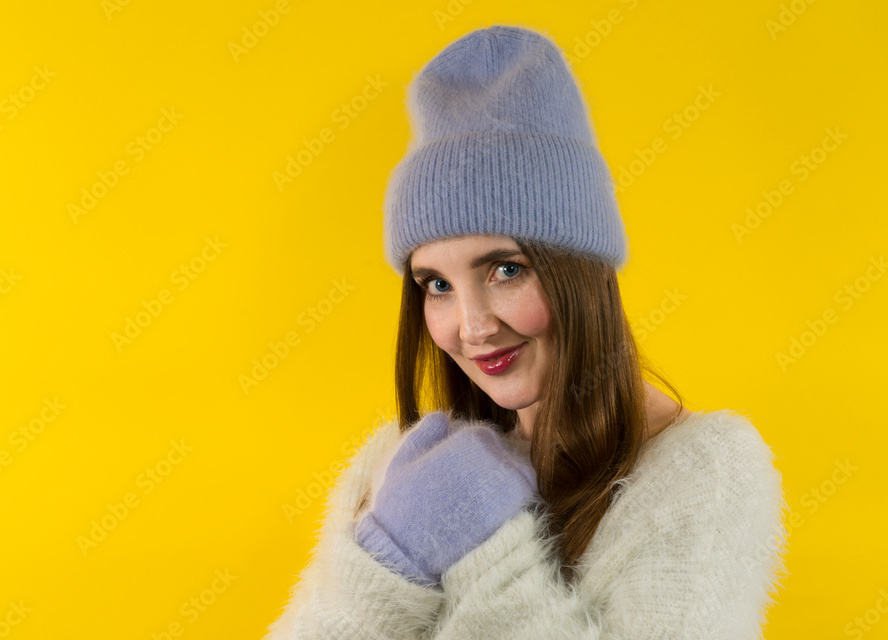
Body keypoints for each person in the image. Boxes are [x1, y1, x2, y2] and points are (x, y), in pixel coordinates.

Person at [264, 23, 789, 639]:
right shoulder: (399, 467)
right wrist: (386, 566)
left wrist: (489, 549)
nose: (472, 326)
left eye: (506, 269)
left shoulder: (700, 473)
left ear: (582, 273)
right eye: (437, 284)